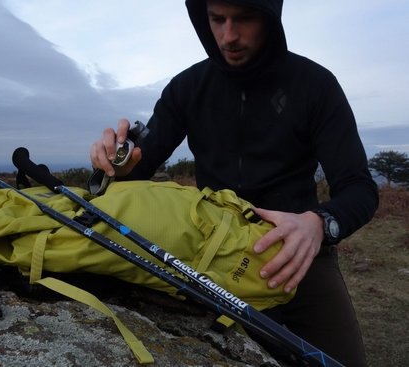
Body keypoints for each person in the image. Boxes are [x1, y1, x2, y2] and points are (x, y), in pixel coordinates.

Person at [90, 0, 379, 365]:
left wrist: (319, 224)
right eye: (217, 19)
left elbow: (359, 187)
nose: (228, 36)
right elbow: (137, 167)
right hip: (213, 250)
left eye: (244, 18)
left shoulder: (315, 85)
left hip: (299, 251)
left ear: (271, 19)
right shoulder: (188, 87)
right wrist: (114, 163)